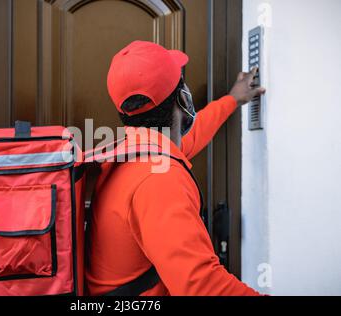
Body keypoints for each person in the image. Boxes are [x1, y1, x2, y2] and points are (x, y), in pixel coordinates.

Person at [85, 40, 266, 296]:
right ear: (184, 98)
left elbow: (192, 136)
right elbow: (202, 286)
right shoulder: (159, 179)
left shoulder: (133, 153)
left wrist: (232, 100)